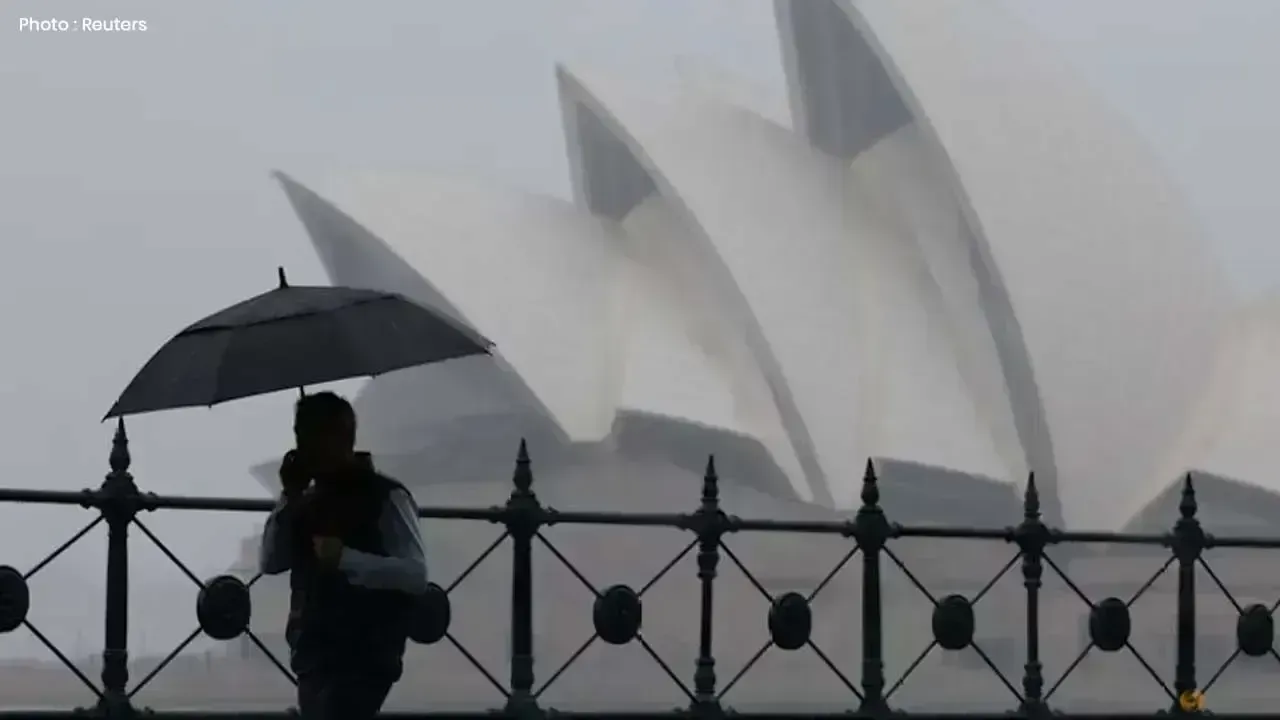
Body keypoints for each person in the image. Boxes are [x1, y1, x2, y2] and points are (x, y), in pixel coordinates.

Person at [259, 391, 429, 720]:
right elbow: (270, 560)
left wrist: (347, 559)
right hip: (313, 650)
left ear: (340, 437)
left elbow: (415, 575)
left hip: (365, 652)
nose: (304, 445)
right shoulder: (306, 501)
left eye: (313, 434)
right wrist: (290, 495)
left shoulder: (385, 496)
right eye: (300, 434)